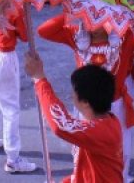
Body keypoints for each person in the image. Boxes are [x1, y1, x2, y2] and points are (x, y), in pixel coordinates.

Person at [38, 14, 134, 182]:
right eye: (87, 17)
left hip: (114, 106)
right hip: (88, 108)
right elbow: (44, 31)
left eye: (98, 18)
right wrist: (72, 11)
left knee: (121, 154)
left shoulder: (125, 35)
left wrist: (123, 15)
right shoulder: (77, 35)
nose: (92, 26)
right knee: (83, 155)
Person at [25, 52, 123, 183]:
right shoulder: (104, 123)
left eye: (74, 91)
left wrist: (39, 79)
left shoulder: (101, 131)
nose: (71, 95)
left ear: (85, 102)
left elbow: (61, 125)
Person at [0, 4, 36, 173]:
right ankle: (13, 159)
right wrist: (25, 17)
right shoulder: (15, 6)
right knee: (10, 108)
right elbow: (26, 36)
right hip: (5, 57)